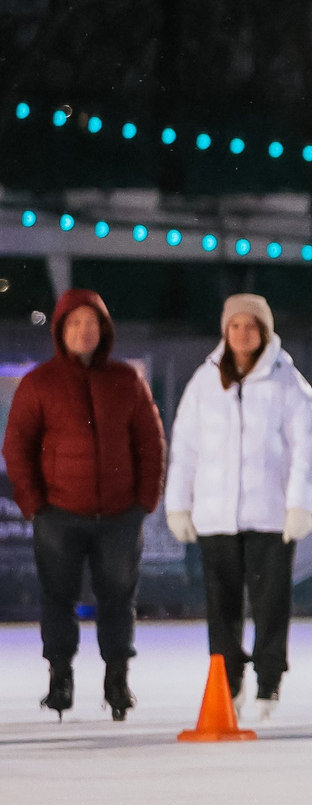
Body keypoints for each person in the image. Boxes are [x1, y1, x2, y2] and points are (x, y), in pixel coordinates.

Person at [3, 289, 164, 720]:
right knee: (58, 598)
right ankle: (60, 679)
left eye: (91, 323)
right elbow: (17, 446)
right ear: (60, 330)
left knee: (118, 599)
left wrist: (144, 501)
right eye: (74, 323)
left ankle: (117, 681)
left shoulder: (126, 381)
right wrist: (34, 502)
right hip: (59, 513)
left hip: (118, 515)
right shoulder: (39, 383)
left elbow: (151, 443)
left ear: (104, 330)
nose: (83, 331)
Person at [163, 294, 312, 718]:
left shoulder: (287, 381)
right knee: (221, 605)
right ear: (224, 330)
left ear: (264, 330)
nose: (242, 333)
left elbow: (306, 447)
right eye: (234, 326)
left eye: (250, 325)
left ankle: (269, 680)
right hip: (217, 517)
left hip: (270, 515)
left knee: (271, 602)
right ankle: (227, 679)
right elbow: (185, 448)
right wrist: (179, 505)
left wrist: (299, 504)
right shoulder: (204, 382)